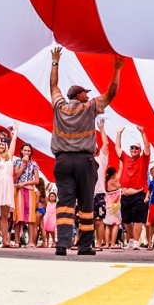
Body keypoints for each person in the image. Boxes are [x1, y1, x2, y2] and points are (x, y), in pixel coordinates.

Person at [48, 47, 122, 256]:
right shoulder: (89, 107)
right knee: (86, 203)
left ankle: (62, 244)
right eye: (84, 93)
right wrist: (116, 70)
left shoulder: (59, 107)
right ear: (79, 95)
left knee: (64, 204)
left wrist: (55, 62)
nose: (86, 95)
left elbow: (53, 85)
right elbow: (112, 93)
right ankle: (84, 246)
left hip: (62, 162)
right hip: (84, 161)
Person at [114, 133, 150, 249]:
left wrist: (143, 132)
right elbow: (117, 148)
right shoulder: (125, 158)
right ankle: (130, 240)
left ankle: (136, 241)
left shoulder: (143, 160)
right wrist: (118, 134)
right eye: (132, 148)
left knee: (137, 219)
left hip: (138, 195)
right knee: (126, 220)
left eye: (136, 148)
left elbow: (147, 146)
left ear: (140, 150)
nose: (134, 150)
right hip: (125, 196)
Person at [12, 143, 40, 246]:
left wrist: (25, 183)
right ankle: (16, 242)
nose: (27, 152)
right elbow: (17, 175)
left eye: (29, 151)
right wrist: (23, 163)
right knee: (18, 216)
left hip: (29, 190)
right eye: (25, 150)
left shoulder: (34, 164)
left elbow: (36, 180)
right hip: (18, 190)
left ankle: (31, 242)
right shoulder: (17, 162)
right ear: (21, 151)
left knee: (30, 217)